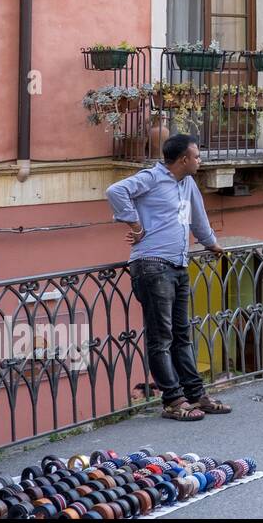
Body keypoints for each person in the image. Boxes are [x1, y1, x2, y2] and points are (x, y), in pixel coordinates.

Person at [105, 134, 230, 423]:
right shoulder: (151, 178)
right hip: (151, 265)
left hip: (178, 265)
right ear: (183, 159)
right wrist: (135, 223)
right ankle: (173, 400)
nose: (200, 160)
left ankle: (196, 394)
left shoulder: (187, 184)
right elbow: (115, 191)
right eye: (196, 156)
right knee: (161, 337)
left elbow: (198, 220)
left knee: (181, 334)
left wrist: (212, 244)